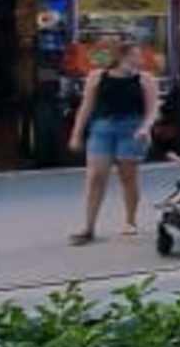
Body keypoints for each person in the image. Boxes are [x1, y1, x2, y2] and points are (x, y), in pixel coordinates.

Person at [66, 44, 160, 245]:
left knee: (128, 177)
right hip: (102, 127)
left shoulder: (145, 79)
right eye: (135, 55)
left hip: (131, 127)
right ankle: (89, 226)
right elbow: (86, 107)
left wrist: (145, 128)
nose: (140, 59)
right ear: (122, 56)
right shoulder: (97, 77)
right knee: (95, 176)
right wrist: (76, 134)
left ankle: (130, 221)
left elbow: (152, 109)